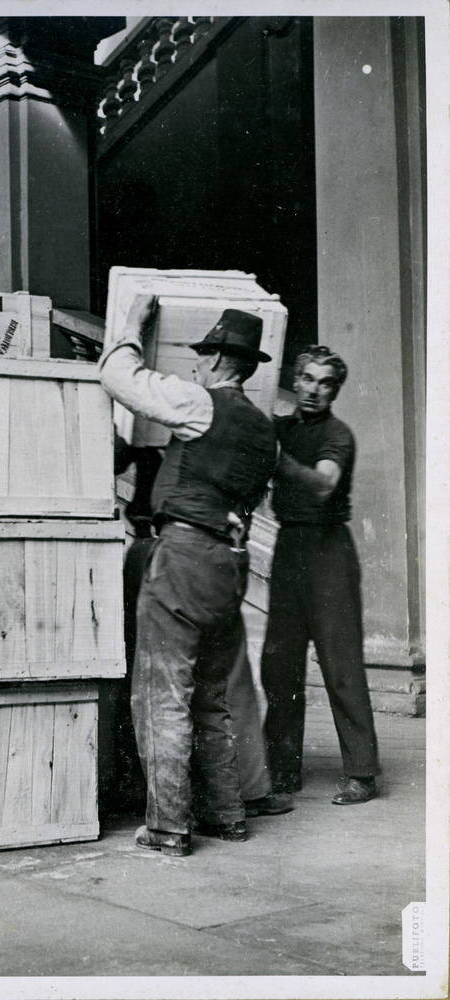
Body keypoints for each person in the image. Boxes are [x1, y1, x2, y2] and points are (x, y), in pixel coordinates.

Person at [99, 295, 280, 856]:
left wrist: (131, 325)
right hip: (230, 565)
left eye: (202, 356)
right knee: (210, 697)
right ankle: (227, 815)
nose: (194, 365)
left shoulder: (200, 405)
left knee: (162, 693)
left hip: (183, 556)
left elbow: (118, 376)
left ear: (221, 362)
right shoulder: (263, 429)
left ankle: (168, 826)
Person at [260, 345, 380, 805]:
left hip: (329, 551)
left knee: (341, 662)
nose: (312, 389)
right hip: (289, 548)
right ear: (296, 379)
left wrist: (277, 458)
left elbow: (326, 482)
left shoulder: (338, 435)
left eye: (323, 382)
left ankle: (362, 772)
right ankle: (282, 768)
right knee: (280, 662)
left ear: (335, 389)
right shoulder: (282, 429)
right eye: (306, 378)